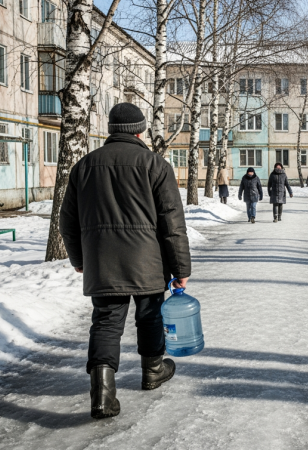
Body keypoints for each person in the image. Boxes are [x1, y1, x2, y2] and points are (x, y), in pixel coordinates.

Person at [60, 103, 191, 420]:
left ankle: (102, 396)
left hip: (102, 261)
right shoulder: (155, 164)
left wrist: (80, 261)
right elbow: (172, 223)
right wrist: (181, 269)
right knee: (150, 317)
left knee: (105, 324)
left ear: (111, 129)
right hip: (147, 260)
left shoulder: (84, 166)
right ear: (141, 129)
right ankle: (153, 371)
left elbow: (68, 220)